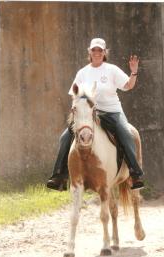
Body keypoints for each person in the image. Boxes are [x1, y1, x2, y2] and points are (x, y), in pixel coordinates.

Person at [46, 38, 144, 191]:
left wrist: (134, 72)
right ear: (89, 52)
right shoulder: (83, 73)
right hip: (89, 114)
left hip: (112, 112)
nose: (97, 53)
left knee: (126, 133)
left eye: (100, 50)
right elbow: (75, 95)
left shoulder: (111, 69)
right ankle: (59, 176)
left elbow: (128, 86)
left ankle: (134, 174)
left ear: (104, 53)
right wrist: (75, 108)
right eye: (94, 50)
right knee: (65, 136)